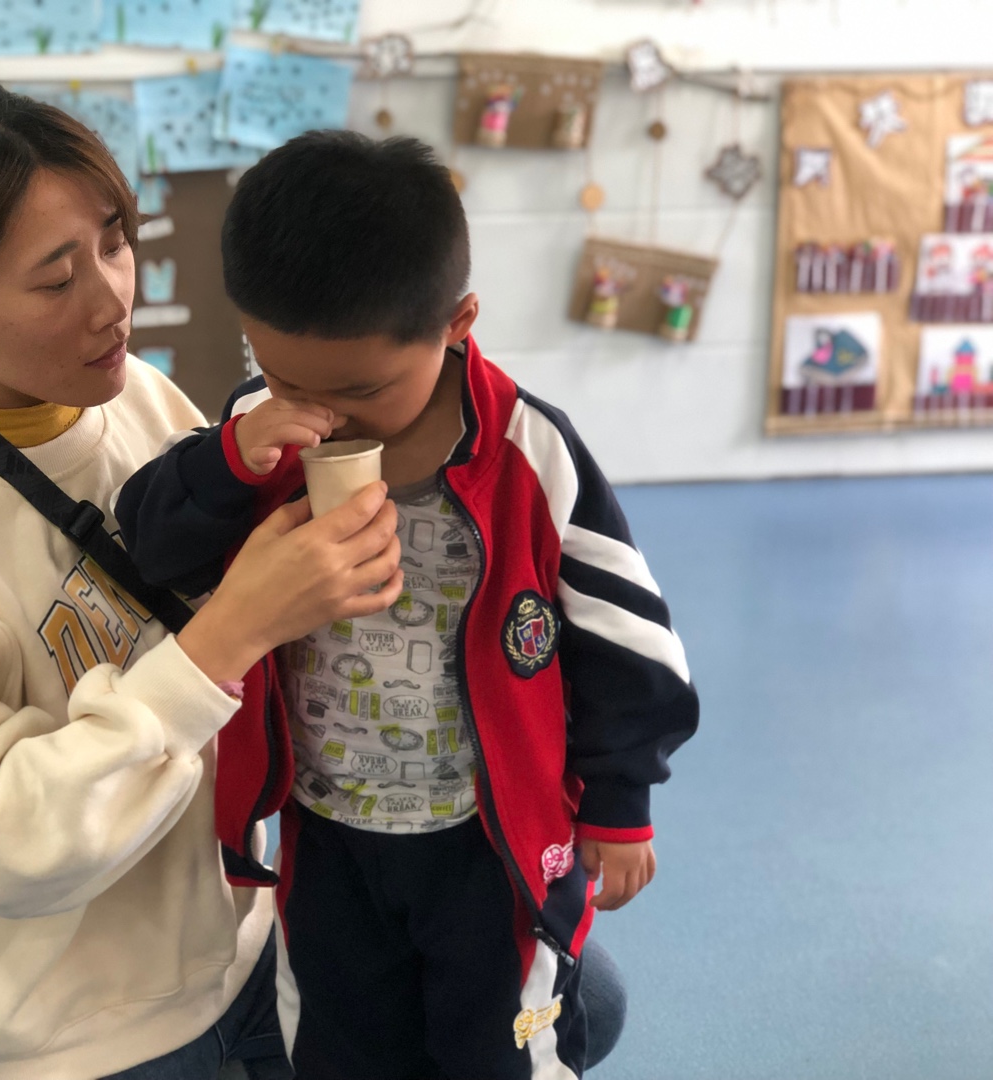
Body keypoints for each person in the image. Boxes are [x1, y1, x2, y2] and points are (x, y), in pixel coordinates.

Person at [0, 83, 412, 1080]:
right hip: (65, 1038)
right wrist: (226, 638)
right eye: (55, 281)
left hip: (245, 949)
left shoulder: (139, 400)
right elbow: (1, 839)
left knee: (568, 1006)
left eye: (115, 243)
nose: (111, 299)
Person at [115, 132, 699, 1079]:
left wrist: (622, 802)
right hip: (327, 833)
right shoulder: (259, 428)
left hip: (488, 846)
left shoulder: (531, 454)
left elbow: (626, 637)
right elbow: (151, 545)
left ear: (457, 322)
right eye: (285, 375)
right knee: (339, 1047)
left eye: (360, 389)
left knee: (501, 1051)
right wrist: (231, 457)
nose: (323, 413)